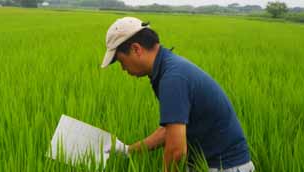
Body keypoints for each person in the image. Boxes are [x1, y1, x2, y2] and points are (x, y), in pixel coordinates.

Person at [101, 17, 255, 172]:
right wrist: (129, 151)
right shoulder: (169, 68)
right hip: (214, 164)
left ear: (136, 49)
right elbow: (170, 130)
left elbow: (176, 150)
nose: (123, 68)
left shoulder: (173, 79)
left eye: (121, 61)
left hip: (224, 167)